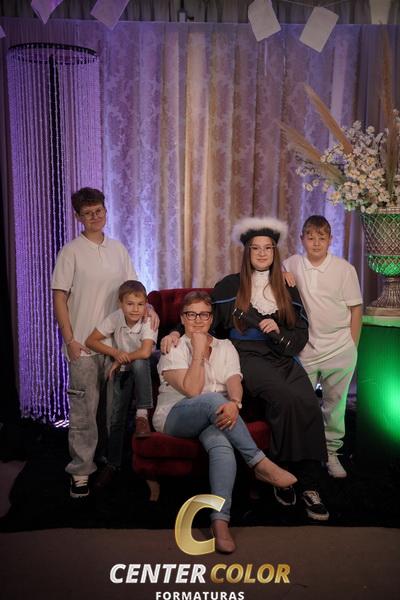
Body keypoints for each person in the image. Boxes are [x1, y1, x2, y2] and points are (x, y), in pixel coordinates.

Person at [162, 217, 329, 521]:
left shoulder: (287, 285)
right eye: (256, 248)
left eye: (268, 248)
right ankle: (280, 474)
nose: (262, 253)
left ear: (275, 252)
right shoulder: (229, 285)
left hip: (281, 355)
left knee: (307, 400)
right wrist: (174, 331)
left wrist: (278, 330)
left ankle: (309, 483)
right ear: (247, 252)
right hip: (247, 355)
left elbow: (300, 332)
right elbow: (200, 315)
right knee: (284, 397)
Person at [154, 290, 297, 553]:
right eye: (191, 315)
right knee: (211, 399)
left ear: (211, 318)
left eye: (204, 315)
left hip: (217, 414)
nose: (198, 320)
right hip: (176, 415)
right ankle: (259, 462)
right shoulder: (172, 347)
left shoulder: (226, 346)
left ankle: (220, 521)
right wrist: (198, 352)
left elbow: (233, 380)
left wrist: (235, 403)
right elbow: (193, 391)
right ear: (182, 319)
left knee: (221, 443)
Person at [52, 187, 158, 498]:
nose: (94, 217)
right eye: (87, 213)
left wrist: (150, 308)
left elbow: (134, 289)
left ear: (105, 212)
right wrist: (70, 339)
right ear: (78, 217)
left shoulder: (118, 250)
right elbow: (59, 297)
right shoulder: (71, 252)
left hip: (118, 345)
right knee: (84, 411)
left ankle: (108, 462)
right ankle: (81, 472)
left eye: (98, 211)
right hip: (85, 345)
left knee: (112, 412)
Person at [283, 215, 362, 478]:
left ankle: (331, 452)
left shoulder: (344, 269)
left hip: (339, 348)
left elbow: (356, 309)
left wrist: (352, 346)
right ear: (302, 239)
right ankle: (307, 453)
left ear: (330, 240)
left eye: (322, 237)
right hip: (306, 349)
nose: (316, 243)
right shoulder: (292, 263)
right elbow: (270, 270)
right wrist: (281, 273)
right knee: (302, 404)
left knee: (334, 405)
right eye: (310, 237)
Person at [85, 280, 157, 487]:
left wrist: (119, 360)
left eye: (140, 304)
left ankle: (142, 415)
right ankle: (113, 464)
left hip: (147, 367)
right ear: (120, 304)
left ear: (146, 304)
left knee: (140, 362)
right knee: (116, 418)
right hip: (125, 368)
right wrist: (116, 353)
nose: (135, 309)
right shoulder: (116, 317)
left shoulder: (148, 320)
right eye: (130, 304)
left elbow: (145, 352)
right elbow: (91, 341)